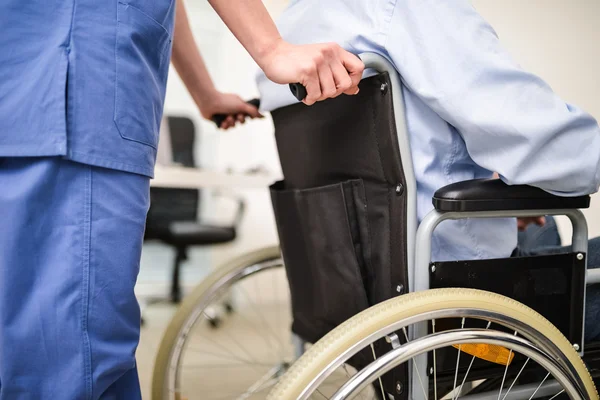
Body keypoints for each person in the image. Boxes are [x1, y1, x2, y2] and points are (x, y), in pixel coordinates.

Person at [0, 0, 364, 398]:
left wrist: (204, 92)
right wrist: (273, 50)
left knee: (28, 340)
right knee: (66, 357)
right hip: (72, 97)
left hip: (27, 90)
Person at [256, 0, 600, 341]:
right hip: (452, 302)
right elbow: (551, 147)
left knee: (546, 227)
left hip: (356, 297)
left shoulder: (289, 29)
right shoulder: (402, 9)